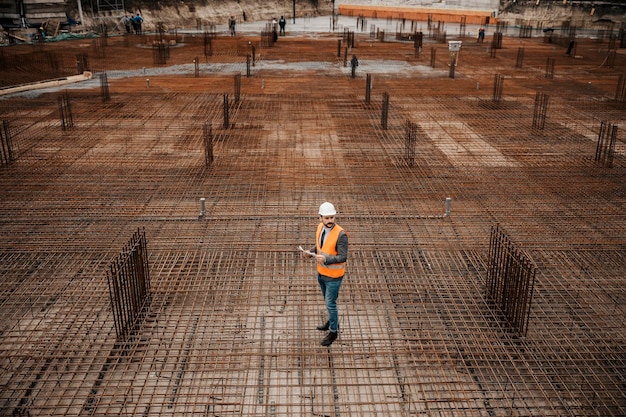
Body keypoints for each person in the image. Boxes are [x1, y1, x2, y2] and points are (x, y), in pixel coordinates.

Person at [303, 202, 349, 346]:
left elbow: (343, 256)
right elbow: (320, 246)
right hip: (322, 273)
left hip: (334, 277)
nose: (330, 221)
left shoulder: (341, 235)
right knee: (329, 303)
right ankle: (332, 321)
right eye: (327, 218)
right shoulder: (319, 228)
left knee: (330, 304)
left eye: (332, 218)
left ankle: (333, 331)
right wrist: (310, 252)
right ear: (320, 218)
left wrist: (326, 259)